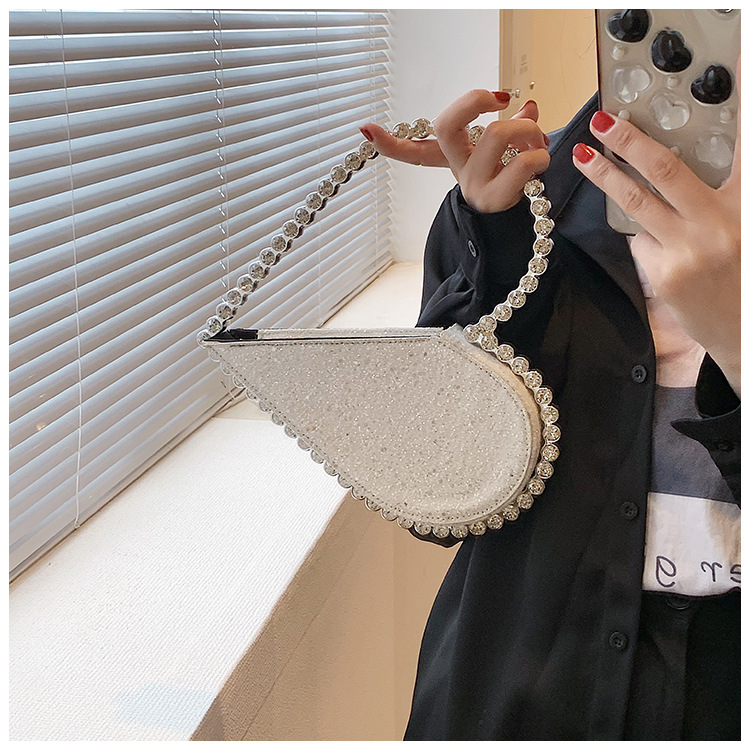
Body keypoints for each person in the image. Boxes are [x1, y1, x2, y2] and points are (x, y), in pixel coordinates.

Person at [358, 82, 740, 740]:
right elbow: (438, 502)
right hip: (516, 689)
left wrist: (737, 345)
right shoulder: (524, 196)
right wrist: (501, 251)